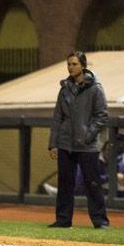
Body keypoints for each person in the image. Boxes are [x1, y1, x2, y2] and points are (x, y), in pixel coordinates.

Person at [48, 51, 110, 229]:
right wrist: (53, 144)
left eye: (74, 64)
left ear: (83, 66)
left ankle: (100, 221)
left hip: (87, 146)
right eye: (68, 64)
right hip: (65, 144)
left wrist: (87, 136)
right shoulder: (64, 89)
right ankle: (63, 220)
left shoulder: (96, 88)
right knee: (65, 183)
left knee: (92, 184)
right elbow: (57, 117)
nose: (70, 67)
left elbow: (102, 116)